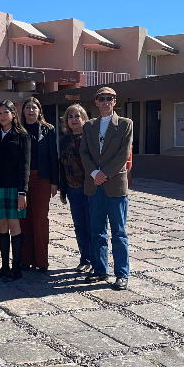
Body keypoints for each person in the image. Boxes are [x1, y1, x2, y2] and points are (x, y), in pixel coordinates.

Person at [81, 87, 133, 290]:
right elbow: (84, 153)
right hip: (94, 186)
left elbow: (123, 154)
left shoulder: (125, 124)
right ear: (96, 102)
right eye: (101, 99)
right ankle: (100, 269)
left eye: (109, 98)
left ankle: (122, 274)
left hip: (115, 186)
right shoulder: (89, 126)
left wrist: (105, 174)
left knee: (119, 232)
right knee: (97, 231)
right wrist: (95, 173)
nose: (105, 102)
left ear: (114, 101)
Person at [0, 100, 31, 281]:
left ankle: (16, 269)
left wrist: (22, 192)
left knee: (14, 226)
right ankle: (4, 267)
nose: (2, 116)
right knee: (2, 227)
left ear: (13, 114)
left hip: (14, 189)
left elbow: (25, 166)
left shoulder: (22, 136)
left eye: (6, 112)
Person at [20, 97, 58, 272]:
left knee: (40, 219)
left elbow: (53, 156)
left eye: (34, 107)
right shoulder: (18, 128)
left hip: (42, 179)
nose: (31, 110)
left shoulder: (48, 129)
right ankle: (25, 260)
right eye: (28, 107)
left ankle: (42, 261)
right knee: (24, 219)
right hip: (22, 179)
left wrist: (55, 181)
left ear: (39, 110)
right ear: (23, 111)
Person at [57, 104, 93, 276]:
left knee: (92, 225)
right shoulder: (64, 139)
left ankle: (96, 260)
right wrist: (63, 190)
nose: (74, 120)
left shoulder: (90, 137)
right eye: (70, 117)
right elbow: (62, 166)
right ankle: (85, 259)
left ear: (84, 118)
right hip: (73, 189)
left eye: (77, 116)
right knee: (79, 225)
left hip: (91, 188)